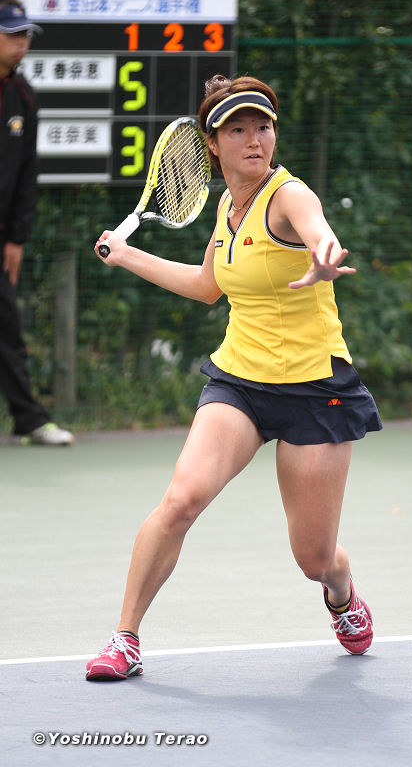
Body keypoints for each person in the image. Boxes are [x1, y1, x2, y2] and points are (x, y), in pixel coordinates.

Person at [86, 74, 382, 681]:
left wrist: (325, 255)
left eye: (263, 127)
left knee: (313, 557)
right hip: (239, 382)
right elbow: (207, 287)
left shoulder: (289, 195)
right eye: (238, 129)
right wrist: (128, 254)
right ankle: (124, 639)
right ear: (212, 145)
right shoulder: (227, 206)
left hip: (315, 390)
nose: (254, 140)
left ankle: (341, 590)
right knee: (180, 500)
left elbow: (320, 232)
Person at [0, 0, 73, 446]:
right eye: (12, 35)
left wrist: (16, 239)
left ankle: (28, 419)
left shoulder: (23, 95)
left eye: (25, 35)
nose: (21, 44)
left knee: (7, 328)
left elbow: (27, 172)